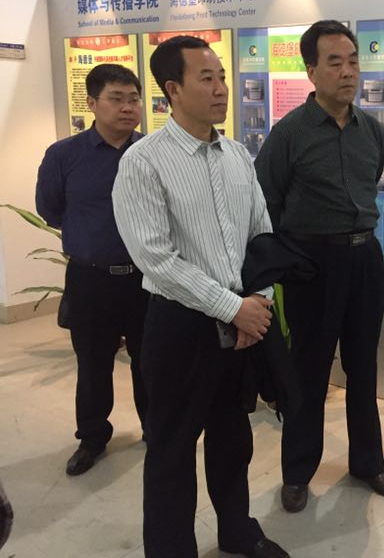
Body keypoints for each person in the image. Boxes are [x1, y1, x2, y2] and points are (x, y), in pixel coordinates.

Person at [112, 36, 288, 558]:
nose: (221, 89)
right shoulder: (144, 162)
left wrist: (256, 304)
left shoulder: (237, 155)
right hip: (180, 327)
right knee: (171, 449)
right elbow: (157, 260)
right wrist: (234, 309)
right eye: (206, 78)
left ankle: (237, 531)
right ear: (173, 89)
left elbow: (262, 236)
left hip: (243, 322)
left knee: (233, 437)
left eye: (222, 77)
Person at [255, 20, 384, 513]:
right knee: (308, 371)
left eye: (353, 61)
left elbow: (370, 182)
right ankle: (298, 472)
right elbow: (267, 202)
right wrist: (290, 260)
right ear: (311, 71)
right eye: (334, 62)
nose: (347, 72)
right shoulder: (289, 133)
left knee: (364, 365)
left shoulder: (372, 131)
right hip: (311, 264)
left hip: (364, 259)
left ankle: (367, 462)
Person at [35, 63, 149, 476]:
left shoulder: (151, 152)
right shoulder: (64, 155)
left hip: (147, 278)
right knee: (94, 363)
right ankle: (93, 437)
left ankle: (157, 430)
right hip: (91, 278)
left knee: (150, 360)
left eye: (133, 99)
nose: (127, 107)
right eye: (116, 99)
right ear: (92, 103)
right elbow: (49, 209)